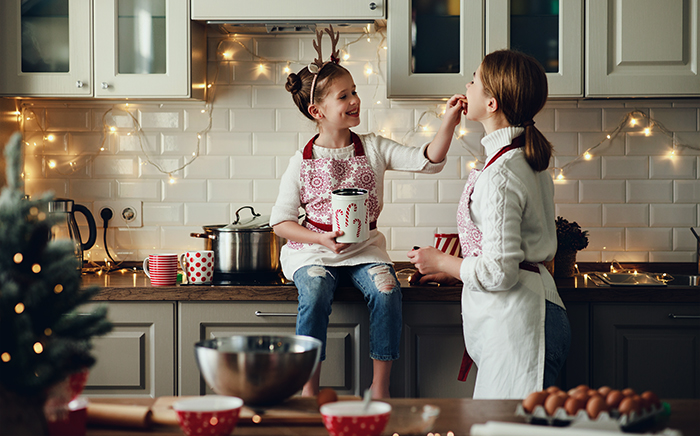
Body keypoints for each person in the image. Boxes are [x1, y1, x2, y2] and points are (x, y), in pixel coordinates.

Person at [269, 26, 465, 399]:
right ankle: (310, 387)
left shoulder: (374, 148)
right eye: (344, 96)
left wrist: (448, 123)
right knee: (314, 291)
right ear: (317, 111)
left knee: (388, 291)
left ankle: (379, 387)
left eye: (355, 91)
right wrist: (319, 237)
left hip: (365, 250)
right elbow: (281, 223)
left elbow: (428, 160)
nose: (355, 100)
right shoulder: (301, 161)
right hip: (312, 251)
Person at [407, 49, 571, 399]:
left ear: (492, 103)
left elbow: (500, 272)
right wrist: (456, 271)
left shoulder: (502, 172)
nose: (467, 85)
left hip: (521, 325)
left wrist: (442, 260)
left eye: (474, 80)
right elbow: (506, 254)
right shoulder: (521, 157)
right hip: (527, 316)